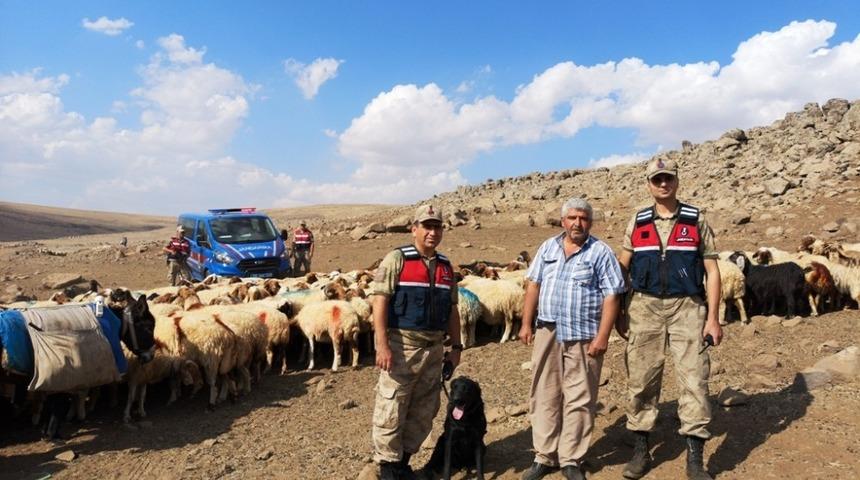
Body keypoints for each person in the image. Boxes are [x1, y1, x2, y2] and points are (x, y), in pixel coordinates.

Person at [616, 157, 723, 480]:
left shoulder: (695, 218)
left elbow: (713, 271)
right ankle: (640, 449)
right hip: (644, 308)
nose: (663, 184)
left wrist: (713, 318)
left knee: (694, 380)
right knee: (642, 379)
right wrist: (620, 311)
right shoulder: (638, 219)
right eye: (657, 180)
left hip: (687, 307)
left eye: (668, 179)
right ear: (649, 184)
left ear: (677, 181)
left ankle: (694, 456)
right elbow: (622, 268)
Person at [518, 198, 625, 480]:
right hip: (548, 330)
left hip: (584, 333)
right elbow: (533, 285)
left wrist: (603, 336)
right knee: (544, 392)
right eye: (573, 218)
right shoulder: (547, 247)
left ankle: (571, 459)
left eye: (584, 218)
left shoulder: (601, 252)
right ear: (563, 221)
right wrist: (526, 323)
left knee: (580, 397)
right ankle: (544, 455)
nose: (578, 223)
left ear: (590, 222)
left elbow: (612, 295)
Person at [370, 204, 462, 480]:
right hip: (401, 346)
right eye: (427, 226)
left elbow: (453, 309)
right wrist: (382, 344)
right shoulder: (397, 259)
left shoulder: (445, 267)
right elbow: (380, 301)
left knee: (424, 408)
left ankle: (403, 462)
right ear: (414, 229)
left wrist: (456, 347)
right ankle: (388, 467)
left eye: (437, 226)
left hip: (434, 348)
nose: (432, 232)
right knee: (392, 405)